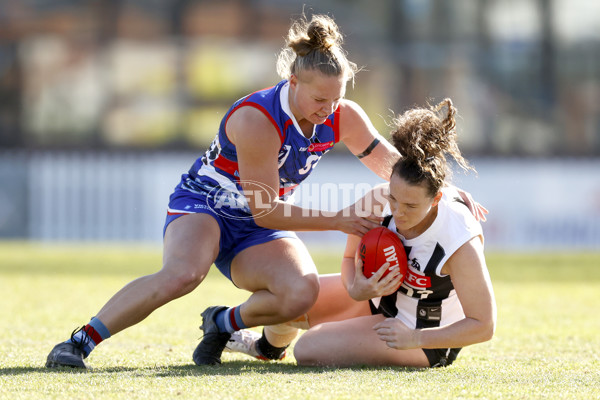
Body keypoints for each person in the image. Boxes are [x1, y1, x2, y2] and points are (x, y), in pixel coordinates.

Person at [45, 14, 484, 369]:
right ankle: (80, 341)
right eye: (319, 101)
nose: (328, 111)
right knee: (183, 274)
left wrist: (446, 194)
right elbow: (265, 212)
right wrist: (337, 219)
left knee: (301, 293)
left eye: (336, 100)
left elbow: (395, 169)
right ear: (293, 83)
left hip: (259, 220)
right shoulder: (259, 121)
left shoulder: (342, 115)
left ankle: (223, 325)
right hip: (207, 206)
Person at [226, 98, 496, 368]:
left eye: (411, 205)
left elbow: (484, 325)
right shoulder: (377, 201)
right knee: (292, 297)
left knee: (309, 348)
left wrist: (415, 337)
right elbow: (348, 260)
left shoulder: (458, 239)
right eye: (394, 199)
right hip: (380, 303)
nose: (398, 212)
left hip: (423, 335)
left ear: (437, 199)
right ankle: (265, 347)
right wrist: (356, 287)